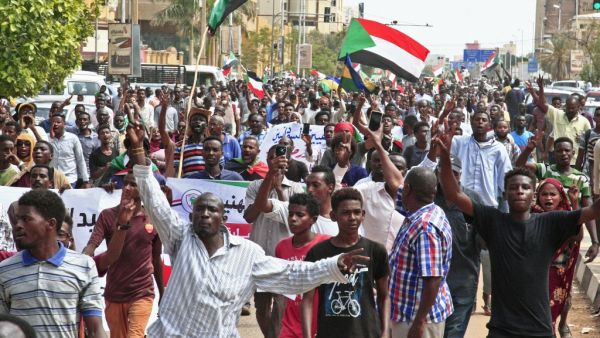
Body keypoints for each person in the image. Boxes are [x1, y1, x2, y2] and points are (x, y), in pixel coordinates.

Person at [125, 117, 369, 337]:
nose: (205, 214)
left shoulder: (247, 254)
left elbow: (294, 274)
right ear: (191, 216)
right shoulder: (180, 237)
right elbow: (155, 201)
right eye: (199, 209)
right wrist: (138, 151)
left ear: (224, 218)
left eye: (212, 210)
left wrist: (334, 266)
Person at [436, 130, 600, 338]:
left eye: (525, 187)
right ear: (505, 193)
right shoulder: (492, 220)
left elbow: (594, 211)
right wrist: (445, 156)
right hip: (501, 330)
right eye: (513, 188)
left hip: (539, 329)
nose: (519, 191)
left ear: (533, 195)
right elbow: (453, 194)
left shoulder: (551, 222)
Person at [0, 189, 106, 338]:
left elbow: (95, 330)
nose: (17, 225)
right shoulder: (4, 271)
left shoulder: (84, 266)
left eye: (26, 219)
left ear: (50, 224)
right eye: (17, 220)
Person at [83, 171, 164, 338]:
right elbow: (92, 245)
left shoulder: (153, 219)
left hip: (142, 292)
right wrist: (81, 261)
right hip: (114, 293)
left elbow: (156, 259)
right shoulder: (107, 215)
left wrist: (163, 294)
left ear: (144, 190)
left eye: (133, 184)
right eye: (125, 183)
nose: (126, 188)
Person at [301, 188, 389, 338]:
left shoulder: (376, 250)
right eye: (346, 213)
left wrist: (386, 331)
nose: (352, 217)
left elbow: (384, 296)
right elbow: (307, 300)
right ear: (333, 216)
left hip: (367, 333)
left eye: (356, 212)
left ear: (363, 214)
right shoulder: (318, 253)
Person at [243, 145, 306, 331]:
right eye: (271, 158)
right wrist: (268, 181)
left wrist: (279, 190)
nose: (276, 161)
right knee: (261, 308)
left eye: (279, 158)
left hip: (285, 260)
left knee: (280, 308)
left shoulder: (296, 188)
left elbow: (294, 220)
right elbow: (249, 216)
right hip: (261, 257)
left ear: (288, 162)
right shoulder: (255, 186)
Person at [389, 166, 453, 338]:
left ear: (408, 189)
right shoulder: (429, 211)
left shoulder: (425, 228)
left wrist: (419, 322)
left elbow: (432, 278)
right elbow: (394, 183)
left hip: (416, 318)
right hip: (409, 314)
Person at [517, 136, 600, 260]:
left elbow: (589, 209)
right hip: (544, 228)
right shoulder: (546, 170)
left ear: (573, 152)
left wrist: (595, 241)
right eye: (559, 151)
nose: (563, 154)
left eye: (567, 150)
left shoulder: (582, 179)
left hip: (570, 232)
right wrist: (528, 150)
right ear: (554, 153)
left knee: (562, 271)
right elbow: (519, 165)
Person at [531, 178, 582, 338]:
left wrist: (575, 203)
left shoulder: (566, 216)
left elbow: (578, 237)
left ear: (560, 196)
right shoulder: (531, 216)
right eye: (544, 194)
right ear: (538, 196)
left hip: (557, 274)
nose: (548, 198)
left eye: (553, 194)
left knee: (549, 314)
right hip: (535, 274)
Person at [276, 193, 331, 338]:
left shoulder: (326, 245)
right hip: (290, 324)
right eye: (291, 214)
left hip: (321, 322)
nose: (293, 219)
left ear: (313, 219)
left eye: (300, 215)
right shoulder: (281, 247)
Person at [527, 77, 591, 165]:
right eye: (568, 107)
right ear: (565, 106)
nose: (570, 110)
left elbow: (589, 142)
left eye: (573, 108)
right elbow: (542, 104)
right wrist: (541, 88)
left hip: (575, 162)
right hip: (557, 161)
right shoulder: (557, 114)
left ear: (578, 107)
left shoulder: (584, 122)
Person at [48, 114, 91, 188]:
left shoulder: (73, 138)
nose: (55, 124)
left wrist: (85, 180)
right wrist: (51, 138)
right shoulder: (47, 138)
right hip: (52, 179)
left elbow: (80, 159)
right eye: (53, 122)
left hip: (69, 179)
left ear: (64, 124)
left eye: (58, 122)